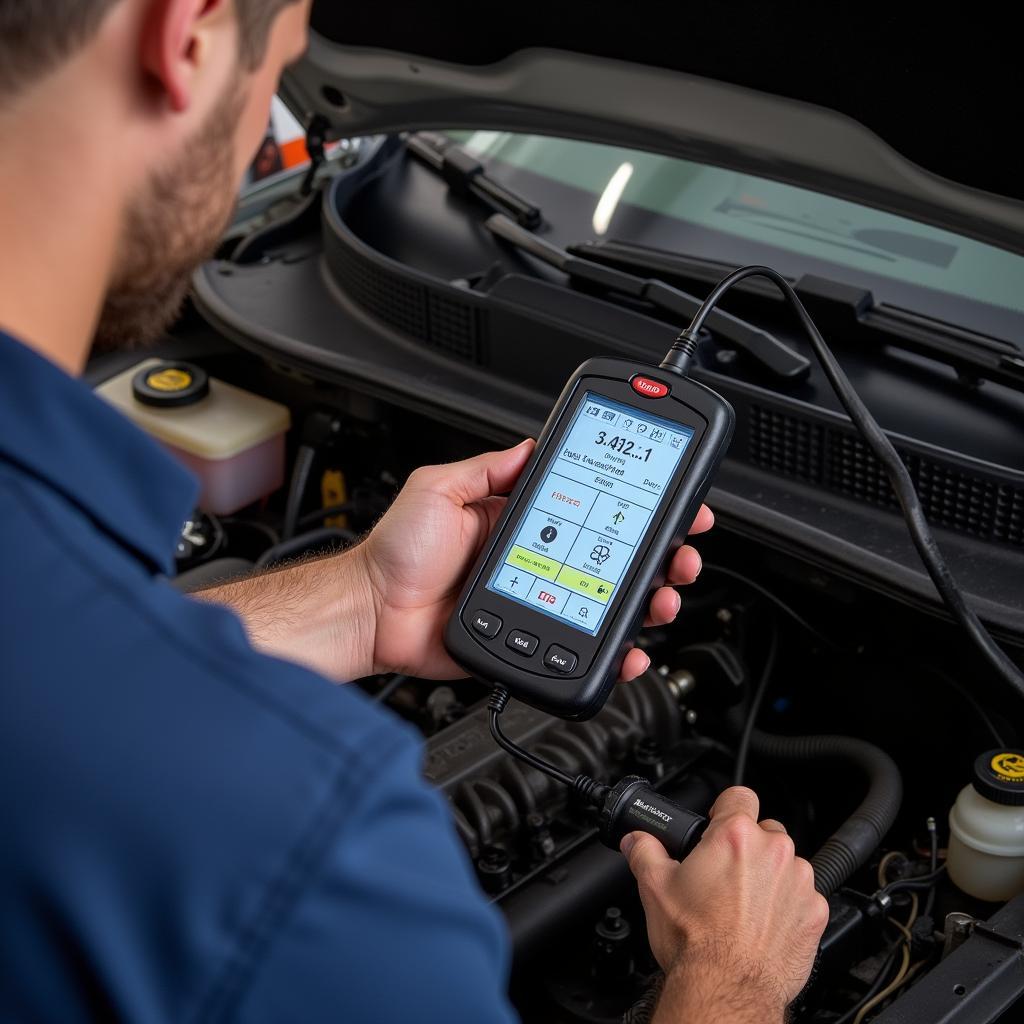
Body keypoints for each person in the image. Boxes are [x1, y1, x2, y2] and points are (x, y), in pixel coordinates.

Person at [0, 1, 828, 1021]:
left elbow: (71, 671)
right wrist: (730, 982)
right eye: (283, 72)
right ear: (190, 35)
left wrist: (359, 599)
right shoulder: (299, 843)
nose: (271, 129)